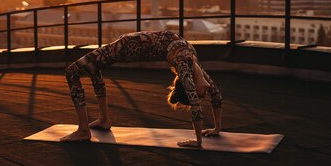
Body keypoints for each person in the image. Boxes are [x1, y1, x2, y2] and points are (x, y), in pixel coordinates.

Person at [61, 30, 223, 148]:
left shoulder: (190, 66)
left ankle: (91, 126)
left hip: (129, 46)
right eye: (199, 95)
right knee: (82, 69)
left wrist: (215, 129)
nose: (205, 95)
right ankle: (95, 124)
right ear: (192, 88)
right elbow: (200, 103)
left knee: (74, 71)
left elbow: (214, 97)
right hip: (128, 45)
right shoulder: (189, 64)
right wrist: (199, 140)